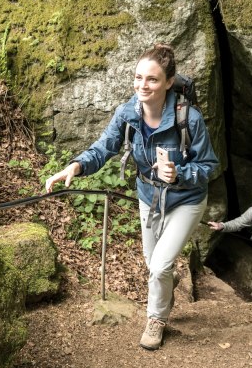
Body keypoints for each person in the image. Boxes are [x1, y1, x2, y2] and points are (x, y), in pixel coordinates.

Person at [45, 43, 219, 350]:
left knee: (160, 266)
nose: (142, 85)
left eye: (152, 79)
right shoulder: (127, 114)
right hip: (148, 195)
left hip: (187, 199)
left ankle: (156, 320)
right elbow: (104, 147)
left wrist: (179, 174)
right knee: (156, 266)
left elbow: (208, 166)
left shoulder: (189, 119)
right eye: (138, 78)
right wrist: (76, 165)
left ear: (168, 82)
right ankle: (166, 283)